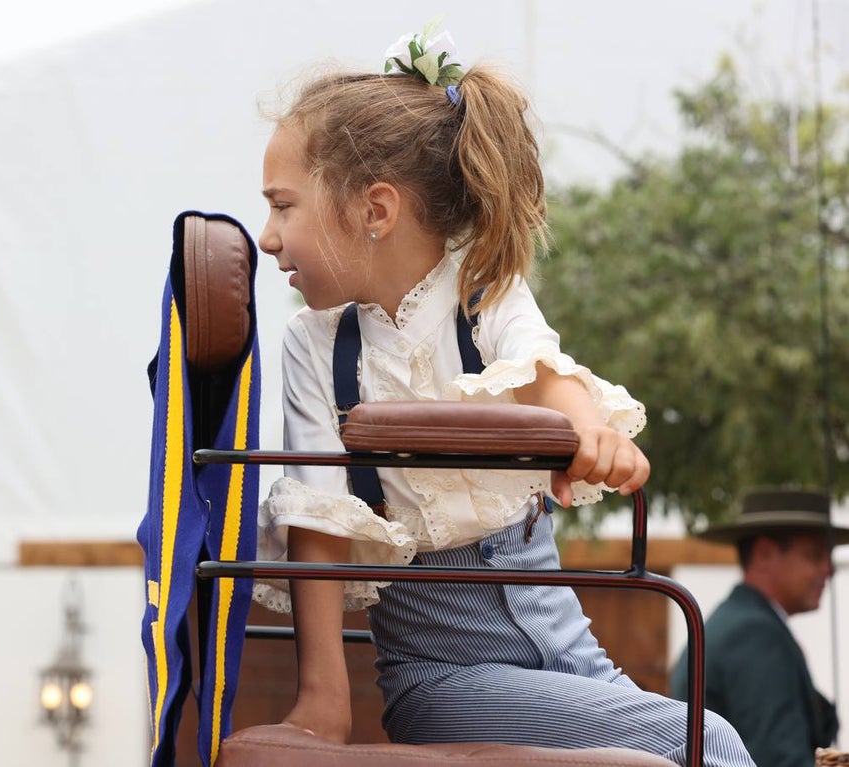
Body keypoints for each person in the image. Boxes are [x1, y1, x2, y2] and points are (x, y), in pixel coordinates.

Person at [249, 21, 755, 767]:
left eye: (283, 205)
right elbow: (317, 517)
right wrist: (324, 698)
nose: (267, 235)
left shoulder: (486, 295)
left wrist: (592, 434)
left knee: (688, 746)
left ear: (375, 210)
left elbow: (544, 371)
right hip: (441, 669)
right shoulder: (315, 344)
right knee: (706, 741)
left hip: (557, 631)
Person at [670, 489, 845, 766]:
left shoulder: (739, 622)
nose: (829, 570)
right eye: (814, 555)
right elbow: (780, 759)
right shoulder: (755, 634)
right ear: (764, 553)